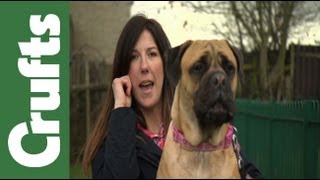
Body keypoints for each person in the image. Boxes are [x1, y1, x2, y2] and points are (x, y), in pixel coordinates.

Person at [82, 14, 263, 179]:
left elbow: (250, 172)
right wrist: (120, 111)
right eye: (133, 57)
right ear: (123, 70)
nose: (144, 66)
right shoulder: (113, 140)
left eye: (152, 54)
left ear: (167, 66)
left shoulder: (214, 133)